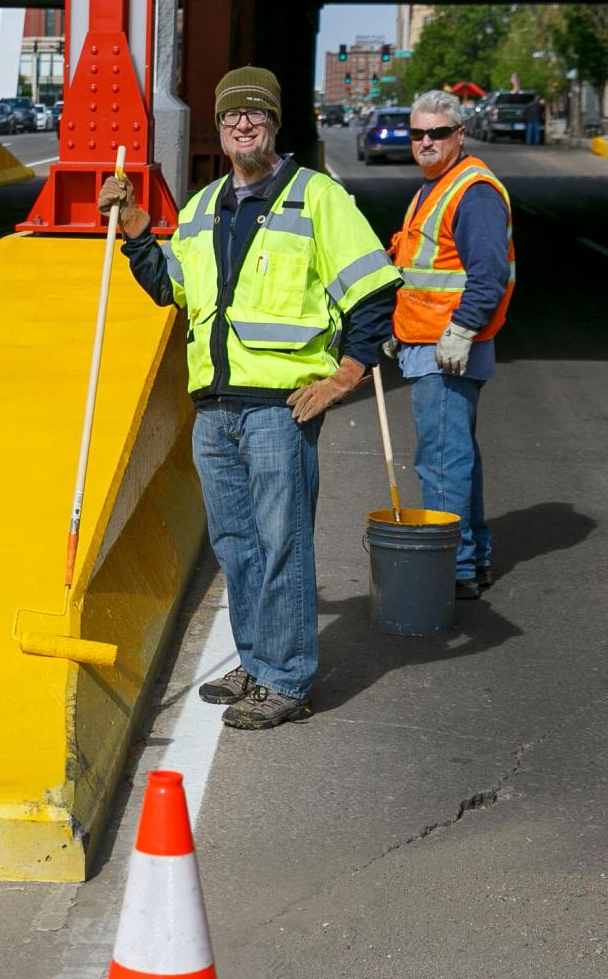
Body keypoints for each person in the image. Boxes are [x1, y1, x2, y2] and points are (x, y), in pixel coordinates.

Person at [99, 67, 400, 731]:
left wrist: (345, 376)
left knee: (280, 540)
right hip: (214, 408)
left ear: (274, 124)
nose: (243, 124)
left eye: (255, 115)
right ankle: (258, 661)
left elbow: (374, 291)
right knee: (237, 544)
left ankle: (287, 679)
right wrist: (136, 229)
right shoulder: (205, 206)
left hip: (278, 408)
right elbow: (170, 287)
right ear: (219, 126)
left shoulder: (317, 198)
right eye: (232, 115)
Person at [388, 89, 514, 599]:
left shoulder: (471, 191)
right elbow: (421, 271)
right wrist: (400, 330)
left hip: (448, 347)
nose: (426, 142)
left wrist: (460, 331)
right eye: (417, 133)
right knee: (456, 455)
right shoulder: (434, 187)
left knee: (441, 459)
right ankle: (470, 558)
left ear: (460, 135)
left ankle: (454, 568)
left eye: (438, 133)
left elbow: (490, 274)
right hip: (428, 342)